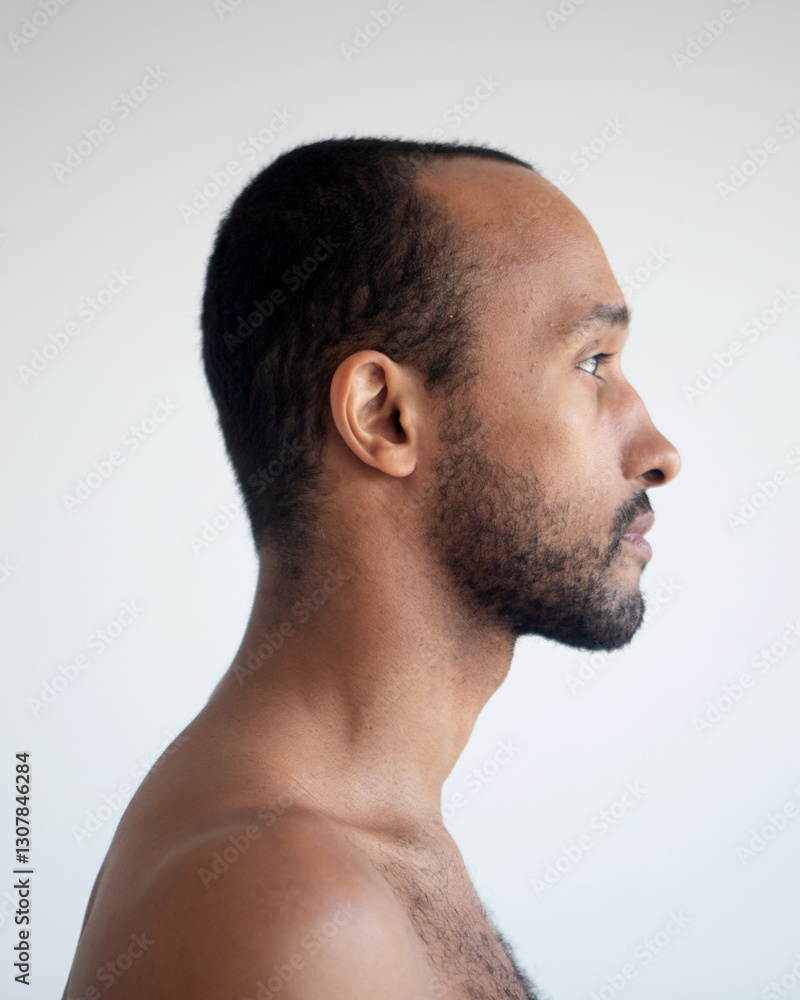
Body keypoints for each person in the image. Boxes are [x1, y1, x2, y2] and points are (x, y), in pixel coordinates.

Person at [62, 136, 680, 1000]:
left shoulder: (360, 837)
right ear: (385, 417)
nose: (660, 453)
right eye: (591, 364)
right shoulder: (294, 910)